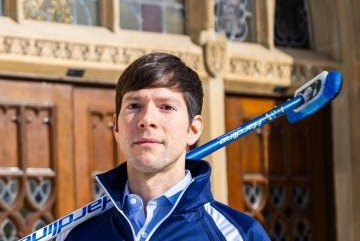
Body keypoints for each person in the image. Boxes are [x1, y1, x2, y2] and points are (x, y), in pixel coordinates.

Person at [57, 52, 269, 240]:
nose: (147, 119)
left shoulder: (239, 235)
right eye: (134, 106)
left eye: (166, 107)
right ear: (116, 127)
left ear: (193, 130)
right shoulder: (73, 234)